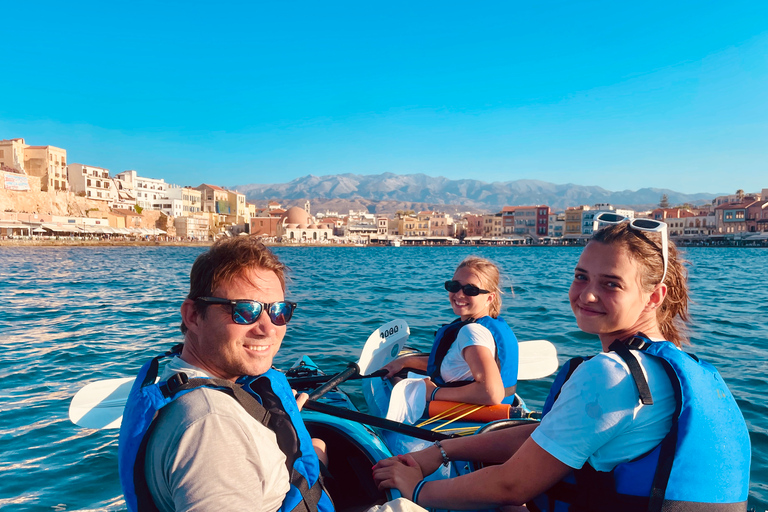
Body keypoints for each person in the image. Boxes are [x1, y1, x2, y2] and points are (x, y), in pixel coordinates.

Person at [373, 216, 751, 511]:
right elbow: (543, 433)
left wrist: (418, 488)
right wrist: (443, 450)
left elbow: (512, 485)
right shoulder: (683, 367)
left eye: (611, 284)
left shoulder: (611, 374)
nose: (586, 294)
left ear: (654, 296)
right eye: (581, 276)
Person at [117, 237, 334, 512]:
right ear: (193, 315)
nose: (267, 328)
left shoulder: (180, 380)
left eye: (279, 311)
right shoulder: (211, 427)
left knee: (318, 446)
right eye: (245, 311)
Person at [379, 256, 519, 423]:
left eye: (471, 290)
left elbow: (492, 393)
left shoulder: (472, 332)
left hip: (472, 418)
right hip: (499, 415)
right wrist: (404, 362)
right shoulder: (492, 326)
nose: (459, 294)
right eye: (454, 286)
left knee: (397, 384)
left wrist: (433, 392)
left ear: (490, 297)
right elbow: (455, 364)